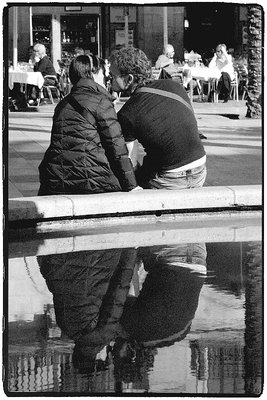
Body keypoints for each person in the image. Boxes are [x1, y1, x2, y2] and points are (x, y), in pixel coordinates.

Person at [38, 54, 139, 195]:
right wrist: (131, 185)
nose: (107, 78)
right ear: (93, 73)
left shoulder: (63, 104)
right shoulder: (101, 103)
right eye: (104, 73)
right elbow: (116, 147)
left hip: (55, 179)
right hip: (94, 180)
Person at [109, 47, 207, 189]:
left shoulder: (127, 113)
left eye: (113, 76)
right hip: (200, 168)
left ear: (129, 79)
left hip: (170, 179)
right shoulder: (175, 86)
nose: (110, 80)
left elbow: (131, 162)